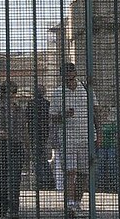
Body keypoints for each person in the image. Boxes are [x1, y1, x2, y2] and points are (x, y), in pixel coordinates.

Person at [49, 61, 97, 215]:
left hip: (86, 137)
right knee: (70, 172)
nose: (69, 81)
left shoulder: (86, 90)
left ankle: (77, 202)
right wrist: (63, 115)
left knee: (83, 173)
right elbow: (52, 117)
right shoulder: (58, 93)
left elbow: (96, 112)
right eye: (66, 79)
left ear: (75, 74)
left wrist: (99, 133)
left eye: (71, 77)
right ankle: (69, 204)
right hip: (67, 138)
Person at [0, 81, 29, 218]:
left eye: (13, 92)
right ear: (4, 94)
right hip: (0, 147)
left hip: (16, 146)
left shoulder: (20, 110)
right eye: (9, 93)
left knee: (15, 179)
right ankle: (2, 207)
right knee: (2, 178)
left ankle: (14, 209)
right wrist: (0, 133)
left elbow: (24, 129)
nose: (12, 95)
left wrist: (27, 148)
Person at [26, 84, 53, 190]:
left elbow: (27, 118)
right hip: (44, 133)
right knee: (41, 156)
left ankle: (42, 180)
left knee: (38, 157)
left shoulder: (31, 104)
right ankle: (46, 180)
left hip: (33, 132)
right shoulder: (47, 104)